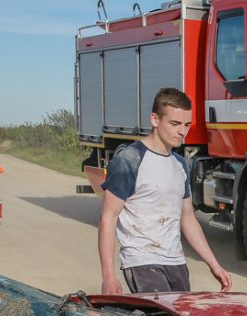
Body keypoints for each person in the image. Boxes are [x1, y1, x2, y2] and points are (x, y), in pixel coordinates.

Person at [98, 87, 232, 295]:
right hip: (142, 261)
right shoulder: (130, 159)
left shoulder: (179, 164)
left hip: (176, 261)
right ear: (155, 120)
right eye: (175, 123)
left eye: (187, 125)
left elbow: (187, 219)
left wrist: (214, 264)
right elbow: (108, 218)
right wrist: (108, 276)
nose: (182, 131)